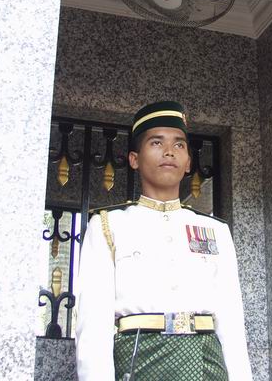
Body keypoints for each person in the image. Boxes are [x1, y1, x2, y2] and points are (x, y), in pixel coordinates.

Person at [74, 101, 254, 380]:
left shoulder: (214, 230)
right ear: (134, 159)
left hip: (207, 363)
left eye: (179, 145)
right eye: (156, 143)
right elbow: (93, 327)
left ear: (189, 163)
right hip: (138, 360)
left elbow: (231, 321)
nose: (170, 151)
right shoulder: (108, 226)